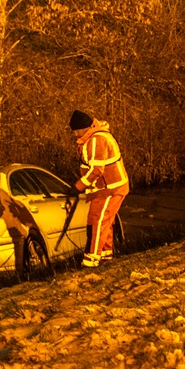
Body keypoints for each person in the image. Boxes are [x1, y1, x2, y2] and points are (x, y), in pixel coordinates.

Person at [69, 109, 129, 267]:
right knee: (101, 220)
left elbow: (97, 170)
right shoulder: (93, 138)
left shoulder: (97, 140)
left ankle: (91, 259)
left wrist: (78, 187)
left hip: (111, 188)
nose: (75, 135)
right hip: (103, 189)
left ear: (83, 128)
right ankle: (105, 255)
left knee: (98, 221)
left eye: (75, 131)